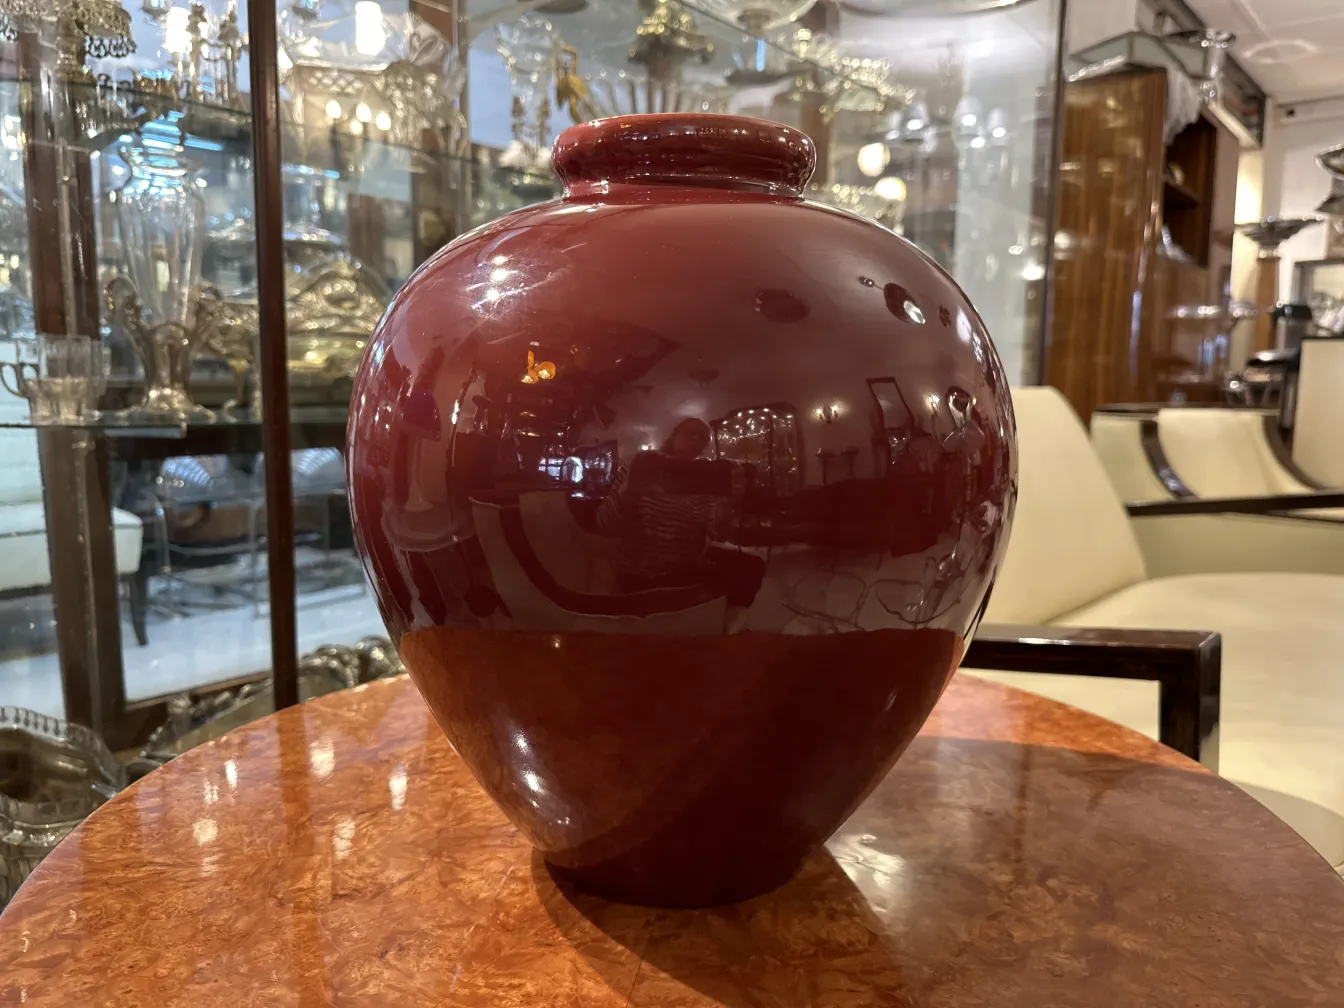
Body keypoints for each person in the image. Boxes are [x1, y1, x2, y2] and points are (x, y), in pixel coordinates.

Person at [597, 418, 764, 614]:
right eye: (689, 432)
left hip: (686, 566)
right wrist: (629, 491)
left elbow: (718, 532)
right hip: (641, 572)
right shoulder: (642, 467)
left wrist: (730, 503)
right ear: (673, 436)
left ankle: (727, 628)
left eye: (702, 437)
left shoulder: (703, 480)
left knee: (752, 567)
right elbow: (605, 525)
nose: (695, 439)